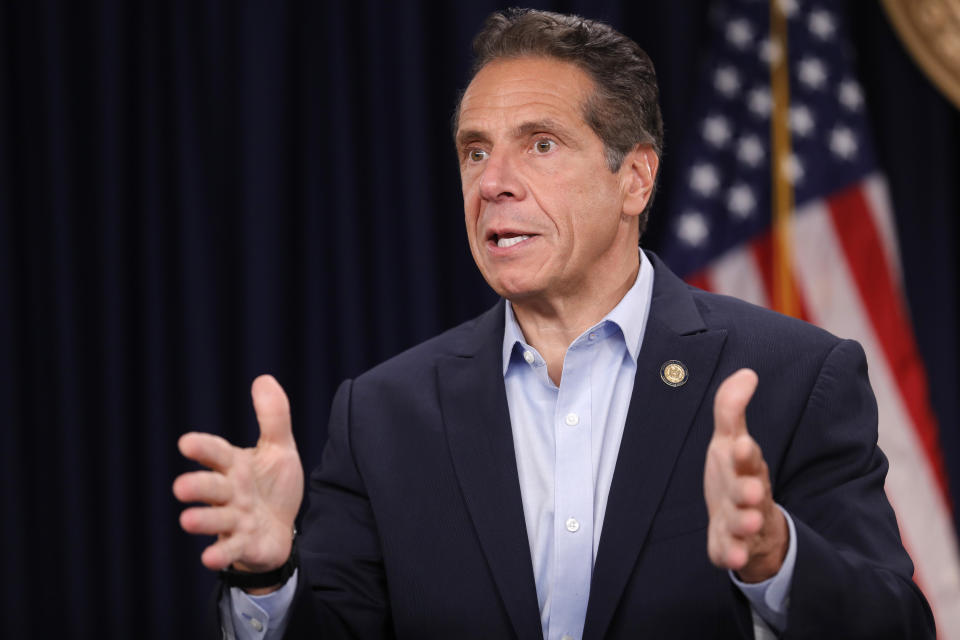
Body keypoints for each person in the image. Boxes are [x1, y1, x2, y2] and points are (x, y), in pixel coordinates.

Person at [174, 8, 933, 639]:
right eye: (475, 151)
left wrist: (777, 557)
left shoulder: (794, 378)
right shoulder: (382, 414)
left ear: (634, 178)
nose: (494, 182)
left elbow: (897, 625)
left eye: (540, 144)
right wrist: (270, 577)